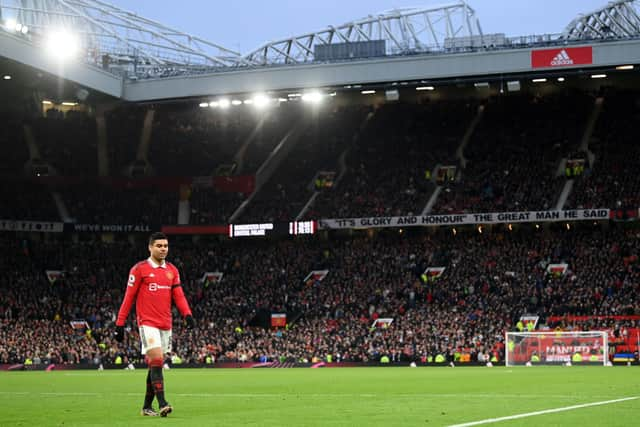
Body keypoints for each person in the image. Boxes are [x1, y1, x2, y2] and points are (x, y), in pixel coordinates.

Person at [114, 232, 195, 417]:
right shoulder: (139, 269)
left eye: (165, 246)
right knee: (157, 359)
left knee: (155, 365)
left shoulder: (172, 270)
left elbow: (179, 295)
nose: (163, 249)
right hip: (147, 322)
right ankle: (163, 403)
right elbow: (129, 297)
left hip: (166, 323)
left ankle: (146, 407)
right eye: (159, 246)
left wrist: (187, 315)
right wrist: (120, 323)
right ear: (150, 247)